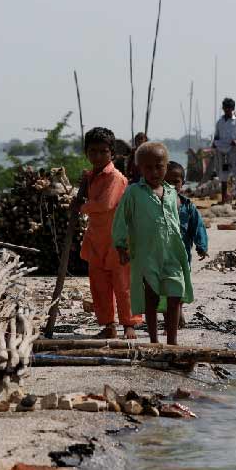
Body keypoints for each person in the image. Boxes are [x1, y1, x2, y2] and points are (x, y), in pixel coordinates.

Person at [113, 142, 194, 345]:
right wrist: (121, 245)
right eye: (148, 167)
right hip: (147, 254)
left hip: (172, 253)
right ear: (139, 168)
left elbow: (174, 221)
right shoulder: (134, 192)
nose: (154, 172)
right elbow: (121, 218)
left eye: (159, 166)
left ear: (166, 166)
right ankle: (154, 341)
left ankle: (173, 341)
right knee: (152, 297)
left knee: (176, 294)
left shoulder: (171, 193)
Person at [80, 128, 142, 340]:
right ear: (86, 153)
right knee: (99, 285)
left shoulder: (115, 177)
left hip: (119, 240)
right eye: (92, 151)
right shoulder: (90, 177)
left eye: (102, 152)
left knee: (123, 284)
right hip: (96, 238)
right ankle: (108, 324)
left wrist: (80, 207)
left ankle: (129, 324)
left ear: (112, 154)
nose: (97, 156)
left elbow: (105, 204)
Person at [164, 161, 209, 266]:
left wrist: (201, 246)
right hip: (160, 256)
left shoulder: (188, 207)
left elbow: (198, 227)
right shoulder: (154, 205)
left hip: (182, 257)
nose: (171, 186)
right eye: (166, 182)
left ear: (182, 183)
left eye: (175, 182)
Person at [211, 98, 236, 205]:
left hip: (235, 151)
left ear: (232, 109)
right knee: (223, 175)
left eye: (228, 108)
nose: (226, 110)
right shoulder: (219, 122)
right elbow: (217, 136)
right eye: (225, 108)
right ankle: (224, 198)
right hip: (222, 152)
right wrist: (214, 143)